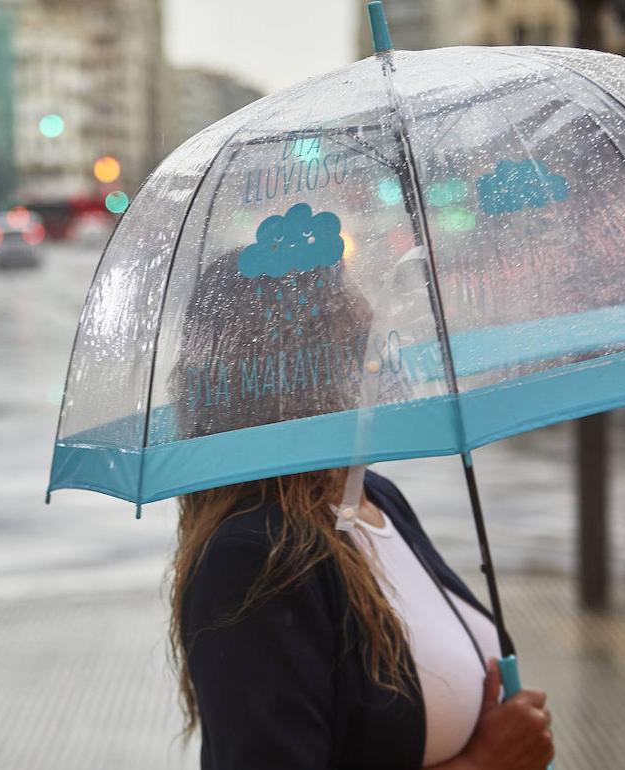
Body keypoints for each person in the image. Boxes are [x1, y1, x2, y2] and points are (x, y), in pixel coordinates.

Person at [167, 249, 554, 769]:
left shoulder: (377, 496)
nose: (376, 345)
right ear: (297, 372)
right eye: (352, 330)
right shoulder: (254, 556)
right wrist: (484, 762)